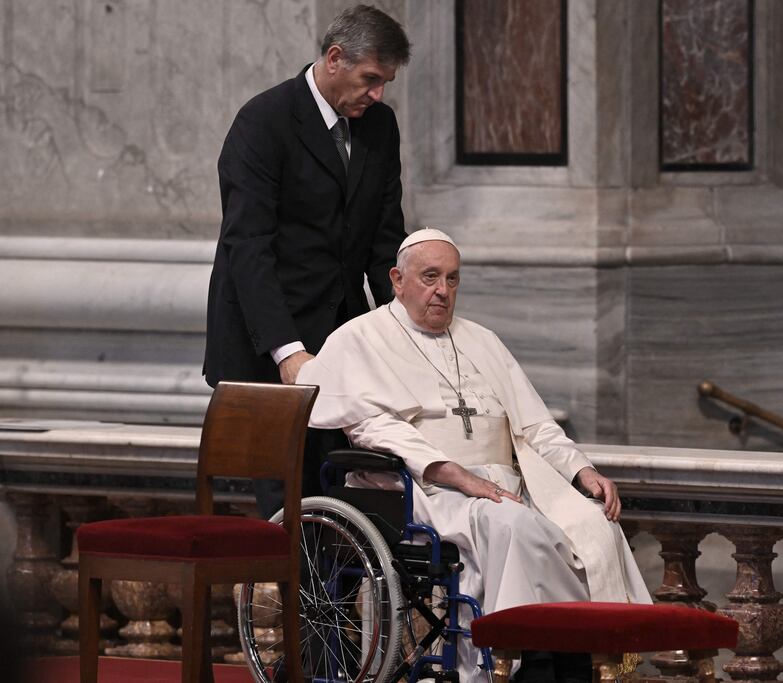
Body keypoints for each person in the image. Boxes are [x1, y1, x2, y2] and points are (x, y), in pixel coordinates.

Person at [297, 228, 652, 682]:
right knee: (513, 524)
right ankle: (536, 663)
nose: (442, 290)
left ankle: (571, 653)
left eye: (452, 279)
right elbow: (371, 428)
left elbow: (536, 424)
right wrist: (456, 475)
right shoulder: (359, 338)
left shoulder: (482, 340)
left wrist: (582, 470)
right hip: (423, 489)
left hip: (506, 484)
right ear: (397, 279)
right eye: (430, 277)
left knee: (591, 525)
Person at [203, 5, 410, 517]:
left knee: (348, 494)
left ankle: (332, 599)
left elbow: (385, 242)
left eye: (385, 82)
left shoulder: (379, 127)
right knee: (288, 503)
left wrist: (410, 330)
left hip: (342, 338)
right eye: (370, 79)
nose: (378, 94)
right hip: (267, 343)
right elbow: (248, 247)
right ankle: (295, 599)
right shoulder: (264, 121)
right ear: (335, 58)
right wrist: (288, 353)